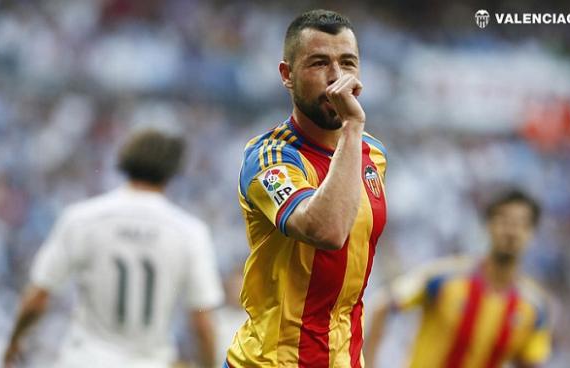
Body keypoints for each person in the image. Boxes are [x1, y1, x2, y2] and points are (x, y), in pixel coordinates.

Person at [226, 9, 387, 368]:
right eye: (319, 64)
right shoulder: (270, 159)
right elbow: (326, 231)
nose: (336, 80)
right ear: (287, 75)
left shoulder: (373, 154)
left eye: (348, 63)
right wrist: (351, 127)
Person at [3, 129, 225, 368]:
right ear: (172, 171)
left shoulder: (82, 218)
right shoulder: (189, 232)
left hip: (85, 359)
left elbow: (38, 298)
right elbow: (202, 322)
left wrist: (14, 340)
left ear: (125, 161)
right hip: (150, 362)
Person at [364, 189, 552, 368]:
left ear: (532, 233)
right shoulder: (444, 277)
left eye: (521, 224)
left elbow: (530, 361)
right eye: (504, 220)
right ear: (488, 225)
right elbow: (383, 305)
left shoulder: (533, 308)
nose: (512, 231)